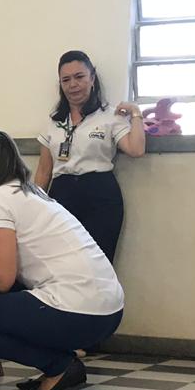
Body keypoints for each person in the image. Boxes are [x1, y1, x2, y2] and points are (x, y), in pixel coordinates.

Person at [0, 131, 125, 390]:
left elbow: (1, 280)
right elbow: (28, 257)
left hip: (78, 309)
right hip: (107, 310)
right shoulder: (30, 192)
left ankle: (58, 365)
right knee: (3, 300)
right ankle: (60, 362)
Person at [35, 50, 145, 262]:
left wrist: (135, 113)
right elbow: (43, 171)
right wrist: (35, 206)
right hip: (62, 196)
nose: (73, 85)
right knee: (62, 263)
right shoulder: (54, 122)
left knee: (98, 263)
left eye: (79, 77)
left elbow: (136, 149)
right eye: (66, 80)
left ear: (92, 78)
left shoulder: (110, 116)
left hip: (100, 195)